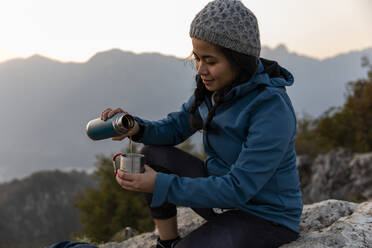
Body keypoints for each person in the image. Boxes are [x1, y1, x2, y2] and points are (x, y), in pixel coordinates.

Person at [101, 0, 302, 247]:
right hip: (221, 199)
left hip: (265, 216)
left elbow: (238, 188)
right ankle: (167, 242)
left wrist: (159, 184)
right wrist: (136, 127)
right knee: (153, 154)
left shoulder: (271, 108)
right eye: (197, 58)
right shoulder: (214, 91)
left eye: (210, 61)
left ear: (239, 60)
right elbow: (174, 128)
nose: (200, 69)